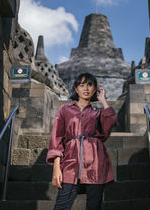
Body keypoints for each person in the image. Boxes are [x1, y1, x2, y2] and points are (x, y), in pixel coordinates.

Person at [46, 72, 117, 210]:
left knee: (94, 206)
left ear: (95, 89)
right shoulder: (65, 110)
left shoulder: (97, 113)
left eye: (90, 85)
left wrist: (103, 100)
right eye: (82, 85)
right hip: (70, 163)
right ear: (76, 89)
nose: (86, 88)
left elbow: (110, 124)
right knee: (61, 206)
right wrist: (56, 166)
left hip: (95, 164)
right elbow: (57, 137)